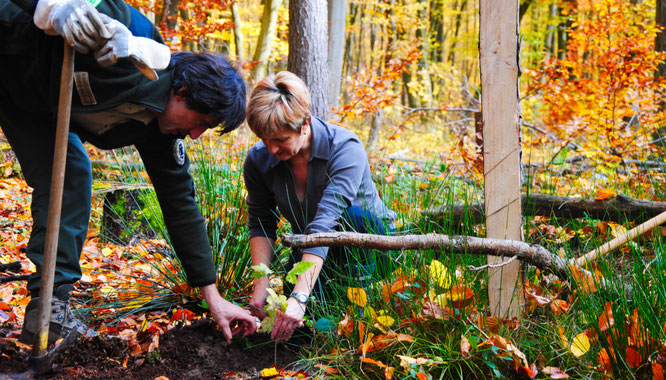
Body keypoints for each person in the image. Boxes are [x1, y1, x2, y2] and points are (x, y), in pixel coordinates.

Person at [0, 0, 256, 344]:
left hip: (27, 104)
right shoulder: (130, 35)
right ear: (181, 93)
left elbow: (181, 204)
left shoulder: (161, 132)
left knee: (71, 176)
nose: (195, 135)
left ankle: (49, 311)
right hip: (9, 40)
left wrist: (214, 297)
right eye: (201, 123)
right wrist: (56, 7)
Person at [244, 71, 396, 341]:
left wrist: (300, 296)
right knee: (298, 325)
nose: (271, 150)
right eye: (265, 140)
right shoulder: (259, 160)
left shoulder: (345, 148)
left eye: (280, 140)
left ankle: (359, 305)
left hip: (370, 247)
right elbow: (260, 221)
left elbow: (326, 223)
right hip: (314, 249)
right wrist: (261, 288)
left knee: (354, 216)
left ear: (305, 124)